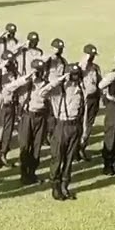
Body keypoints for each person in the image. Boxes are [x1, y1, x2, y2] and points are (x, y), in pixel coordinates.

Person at [40, 64, 85, 201]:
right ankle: (55, 186)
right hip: (61, 125)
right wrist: (60, 80)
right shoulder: (58, 89)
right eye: (73, 75)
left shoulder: (80, 89)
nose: (75, 78)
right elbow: (42, 92)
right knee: (57, 158)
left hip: (75, 125)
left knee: (69, 158)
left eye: (77, 75)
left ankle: (65, 185)